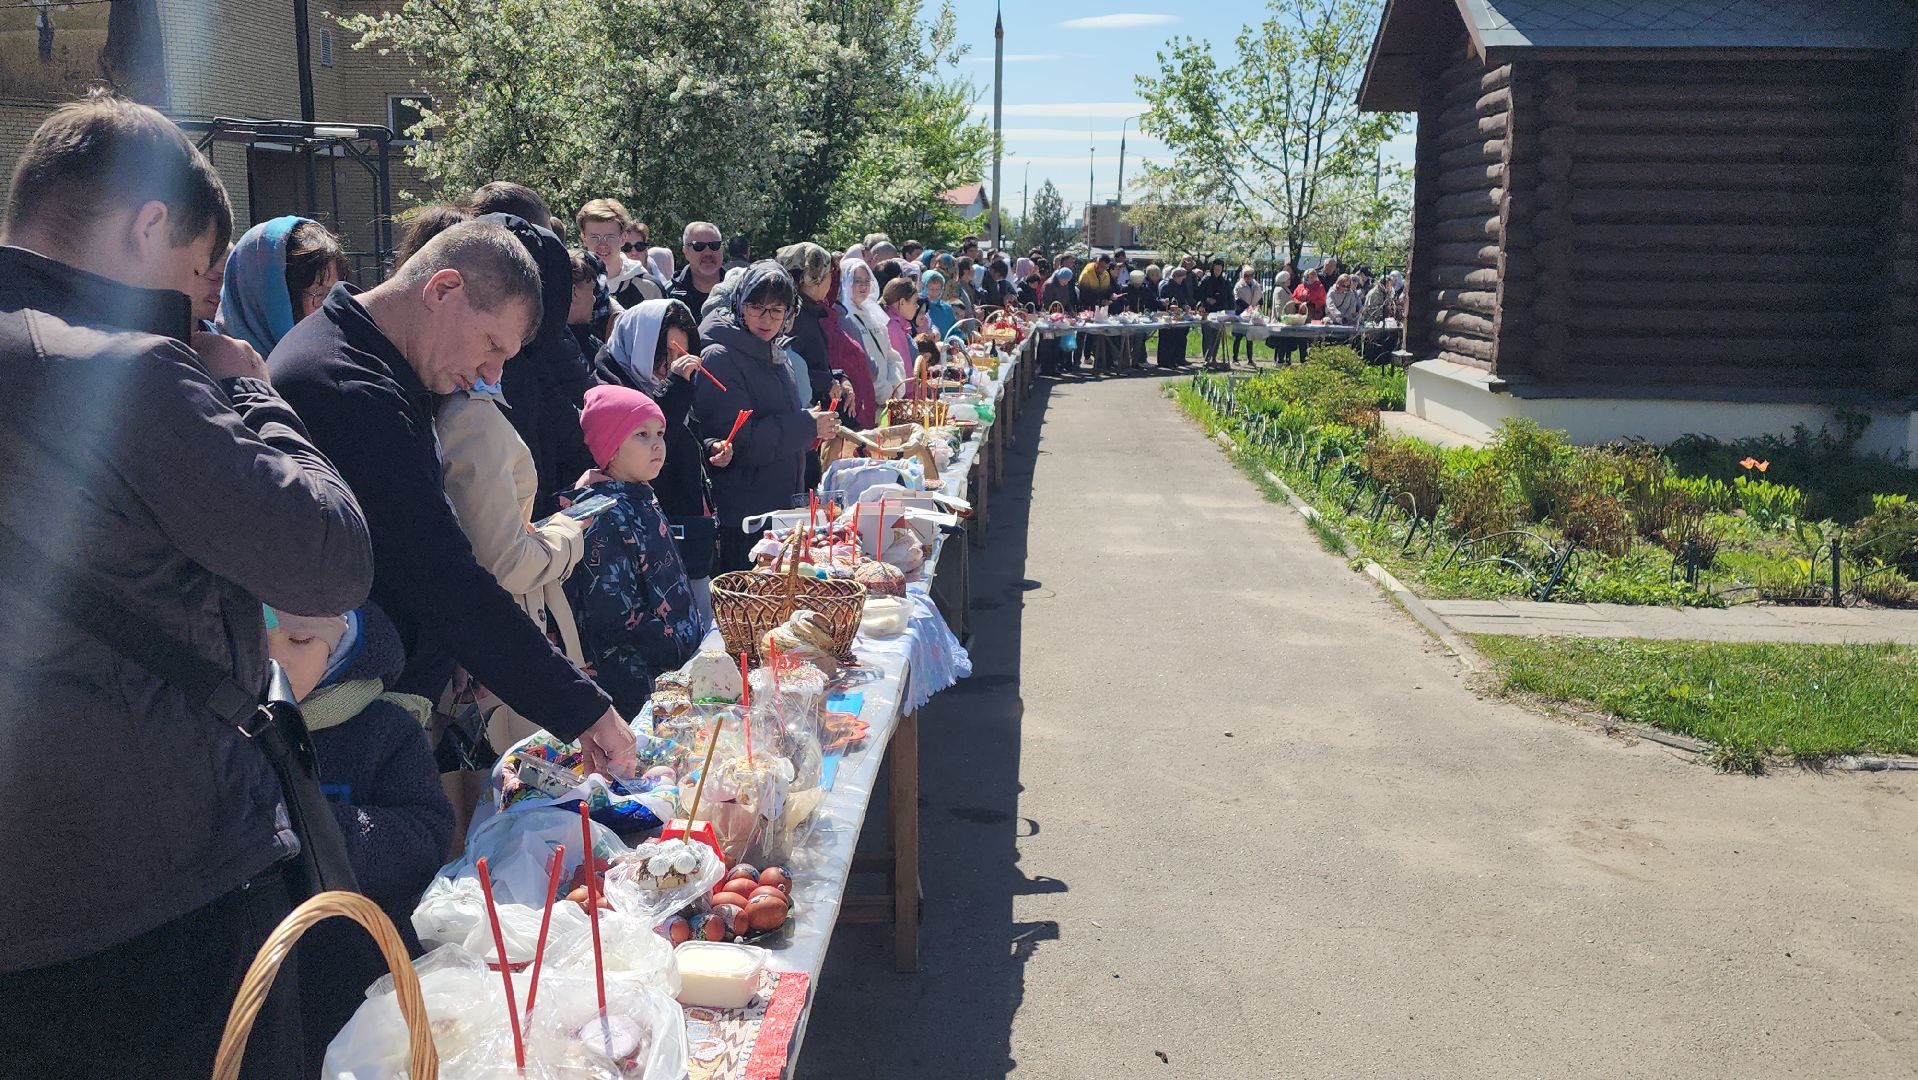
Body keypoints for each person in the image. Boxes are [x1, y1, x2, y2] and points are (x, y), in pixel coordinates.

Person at [0, 92, 374, 1080]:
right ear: (148, 222)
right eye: (201, 276)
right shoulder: (123, 367)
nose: (205, 305)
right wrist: (250, 390)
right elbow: (328, 557)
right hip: (161, 907)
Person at [269, 218, 636, 779]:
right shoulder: (347, 388)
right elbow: (440, 574)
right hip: (348, 721)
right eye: (492, 346)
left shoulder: (376, 362)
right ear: (442, 289)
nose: (490, 374)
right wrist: (584, 708)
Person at [271, 603, 451, 1066]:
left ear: (343, 649)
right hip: (271, 981)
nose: (276, 655)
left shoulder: (385, 729)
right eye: (259, 636)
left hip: (370, 971)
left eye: (300, 640)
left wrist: (323, 831)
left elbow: (428, 834)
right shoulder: (233, 733)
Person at [562, 386, 704, 716]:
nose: (657, 443)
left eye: (659, 432)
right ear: (610, 449)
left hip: (672, 671)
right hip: (636, 687)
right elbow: (613, 616)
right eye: (641, 434)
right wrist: (673, 642)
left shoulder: (640, 497)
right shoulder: (603, 517)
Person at [692, 261, 840, 570]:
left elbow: (775, 421)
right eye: (756, 307)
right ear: (739, 305)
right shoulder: (720, 357)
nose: (766, 318)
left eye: (777, 310)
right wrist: (805, 425)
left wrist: (811, 430)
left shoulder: (773, 352)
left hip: (777, 507)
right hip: (744, 518)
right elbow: (740, 441)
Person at [594, 299, 726, 628]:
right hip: (646, 556)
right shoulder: (610, 387)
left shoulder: (669, 388)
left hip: (685, 540)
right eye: (666, 351)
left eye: (682, 352)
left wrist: (709, 446)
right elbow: (650, 438)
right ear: (641, 343)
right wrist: (676, 386)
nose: (673, 363)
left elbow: (681, 436)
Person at [220, 216, 349, 356]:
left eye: (334, 293)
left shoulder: (339, 358)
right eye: (319, 293)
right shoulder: (216, 368)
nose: (331, 307)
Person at [776, 241, 853, 413]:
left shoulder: (807, 311)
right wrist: (827, 382)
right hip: (806, 414)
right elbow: (787, 365)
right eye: (829, 274)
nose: (832, 280)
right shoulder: (795, 315)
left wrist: (839, 377)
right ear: (816, 278)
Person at [839, 256, 905, 407]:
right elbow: (860, 365)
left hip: (890, 398)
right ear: (845, 282)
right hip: (868, 401)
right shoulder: (844, 318)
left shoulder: (874, 314)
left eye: (866, 280)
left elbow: (891, 355)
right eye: (857, 281)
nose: (863, 286)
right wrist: (883, 391)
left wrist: (895, 386)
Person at [577, 199, 647, 308]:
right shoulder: (572, 285)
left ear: (623, 238)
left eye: (610, 237)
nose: (603, 245)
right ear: (584, 238)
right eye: (594, 237)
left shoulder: (647, 287)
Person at [670, 221, 727, 339]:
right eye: (698, 246)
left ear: (722, 249)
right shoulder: (669, 295)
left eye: (714, 245)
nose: (707, 252)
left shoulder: (739, 291)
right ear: (685, 252)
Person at [880, 275, 922, 389]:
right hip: (901, 398)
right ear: (902, 302)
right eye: (915, 302)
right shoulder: (893, 328)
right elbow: (904, 373)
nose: (917, 307)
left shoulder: (895, 323)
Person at [1158, 265, 1195, 368]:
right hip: (1168, 316)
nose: (1182, 281)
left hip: (1179, 316)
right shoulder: (1166, 286)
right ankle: (1167, 361)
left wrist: (1185, 306)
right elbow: (1163, 301)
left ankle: (1179, 359)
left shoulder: (1179, 286)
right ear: (1176, 277)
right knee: (1168, 339)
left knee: (1181, 338)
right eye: (1181, 278)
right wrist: (1170, 306)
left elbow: (1182, 299)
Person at [1231, 265, 1263, 366]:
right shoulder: (1238, 285)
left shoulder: (1257, 285)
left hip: (1252, 315)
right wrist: (1247, 307)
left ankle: (1250, 360)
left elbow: (1260, 298)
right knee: (1238, 337)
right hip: (1240, 314)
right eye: (1246, 275)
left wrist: (1256, 306)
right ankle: (1235, 358)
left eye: (1250, 275)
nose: (1248, 277)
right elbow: (1236, 299)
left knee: (1250, 337)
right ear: (1243, 275)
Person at [921, 269, 957, 338]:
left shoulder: (946, 309)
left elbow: (954, 330)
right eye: (931, 289)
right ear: (924, 287)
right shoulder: (918, 307)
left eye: (937, 289)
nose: (934, 292)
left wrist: (957, 339)